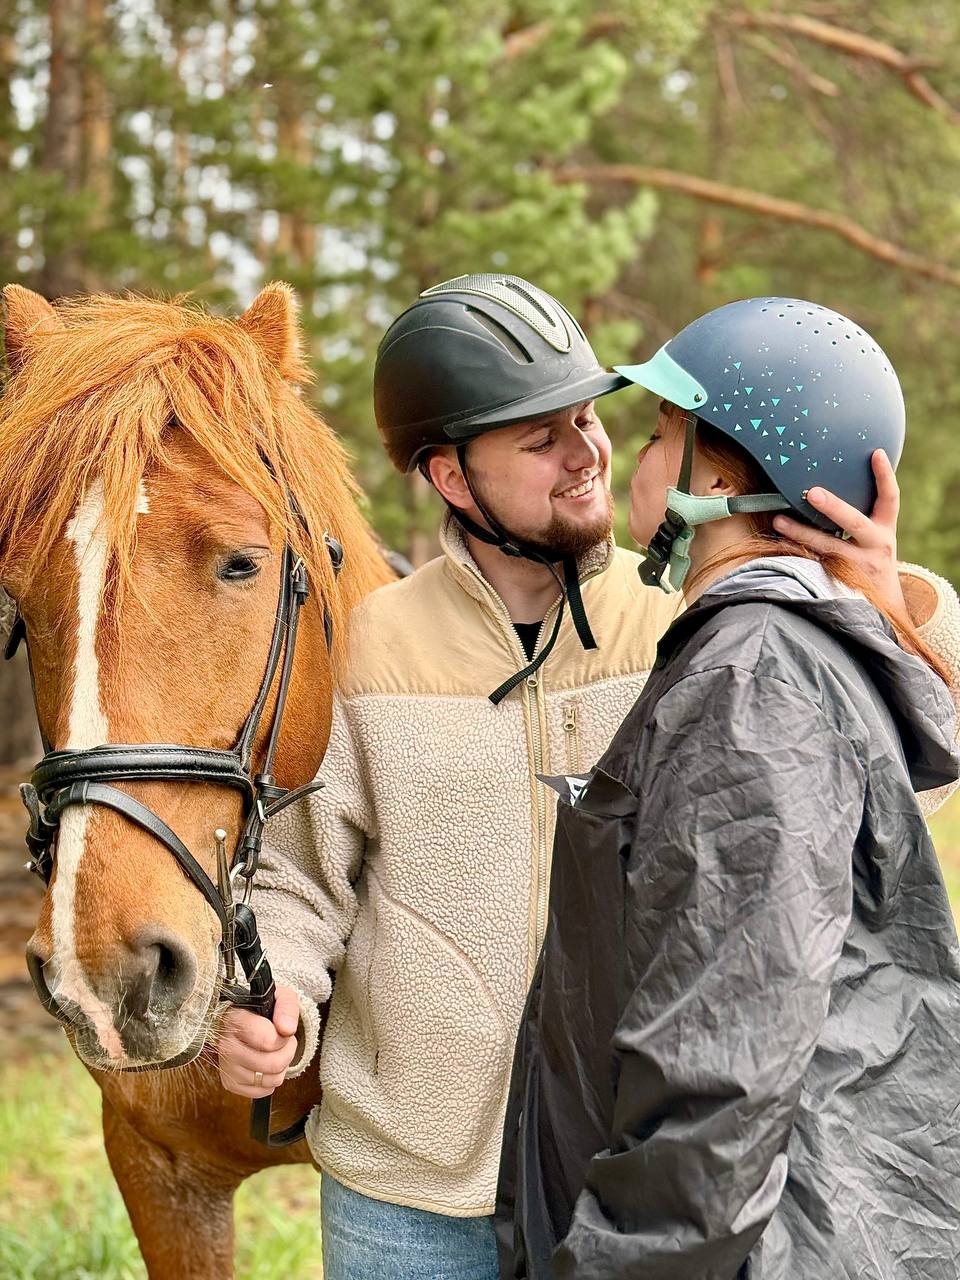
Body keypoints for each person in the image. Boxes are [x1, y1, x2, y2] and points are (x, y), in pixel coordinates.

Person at [213, 278, 960, 1280]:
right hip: (411, 1186)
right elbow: (304, 881)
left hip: (615, 1177)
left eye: (588, 417)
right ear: (449, 474)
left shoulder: (700, 622)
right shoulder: (371, 642)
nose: (590, 451)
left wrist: (892, 598)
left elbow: (885, 798)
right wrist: (280, 997)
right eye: (540, 437)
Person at [495, 297, 960, 1279]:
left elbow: (721, 1068)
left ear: (717, 470)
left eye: (664, 430)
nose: (639, 455)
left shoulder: (751, 682)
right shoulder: (785, 656)